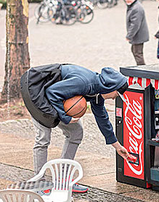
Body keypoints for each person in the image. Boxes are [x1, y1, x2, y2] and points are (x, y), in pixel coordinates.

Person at [32, 64, 133, 193]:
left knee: (76, 132)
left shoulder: (97, 93)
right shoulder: (84, 83)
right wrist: (65, 117)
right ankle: (38, 183)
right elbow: (52, 92)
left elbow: (103, 119)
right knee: (43, 137)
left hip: (54, 96)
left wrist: (117, 146)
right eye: (117, 94)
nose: (114, 98)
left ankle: (63, 180)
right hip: (37, 91)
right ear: (111, 87)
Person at [125, 0, 149, 66]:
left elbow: (135, 24)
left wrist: (129, 36)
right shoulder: (133, 6)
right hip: (137, 35)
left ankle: (143, 70)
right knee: (135, 51)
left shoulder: (136, 8)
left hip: (138, 35)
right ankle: (141, 69)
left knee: (138, 53)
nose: (127, 0)